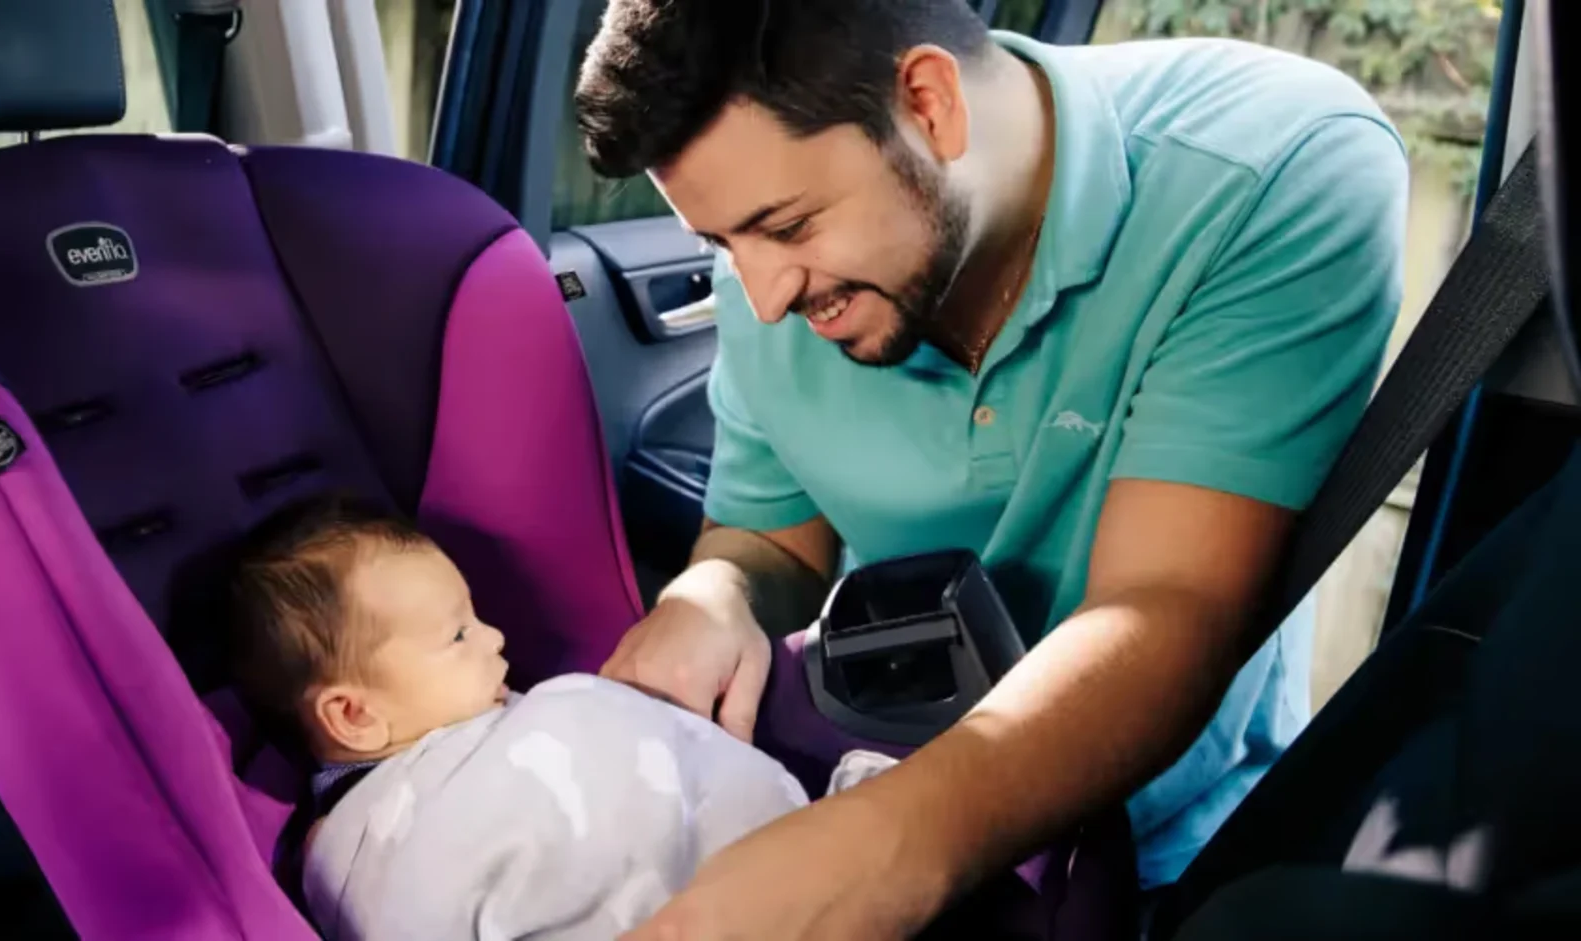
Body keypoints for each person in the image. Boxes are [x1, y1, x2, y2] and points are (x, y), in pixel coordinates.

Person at [575, 1, 1408, 937]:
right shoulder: (767, 282)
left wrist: (887, 849)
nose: (762, 300)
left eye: (790, 225)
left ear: (929, 104)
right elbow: (767, 534)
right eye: (722, 244)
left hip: (1171, 857)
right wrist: (716, 595)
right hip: (868, 783)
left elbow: (1165, 598)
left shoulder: (1274, 167)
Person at [225, 496, 890, 939]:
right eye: (458, 635)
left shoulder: (323, 861)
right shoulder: (349, 851)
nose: (494, 639)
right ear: (354, 715)